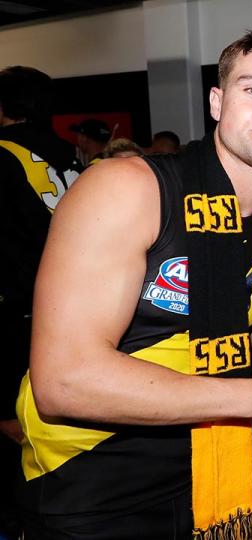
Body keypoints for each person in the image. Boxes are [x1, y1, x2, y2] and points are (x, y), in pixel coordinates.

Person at [16, 25, 252, 540]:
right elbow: (63, 382)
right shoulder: (128, 189)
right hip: (90, 487)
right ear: (217, 102)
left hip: (207, 486)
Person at [0, 64, 84, 540]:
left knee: (17, 415)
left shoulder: (3, 154)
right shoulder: (67, 153)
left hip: (18, 299)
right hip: (73, 297)